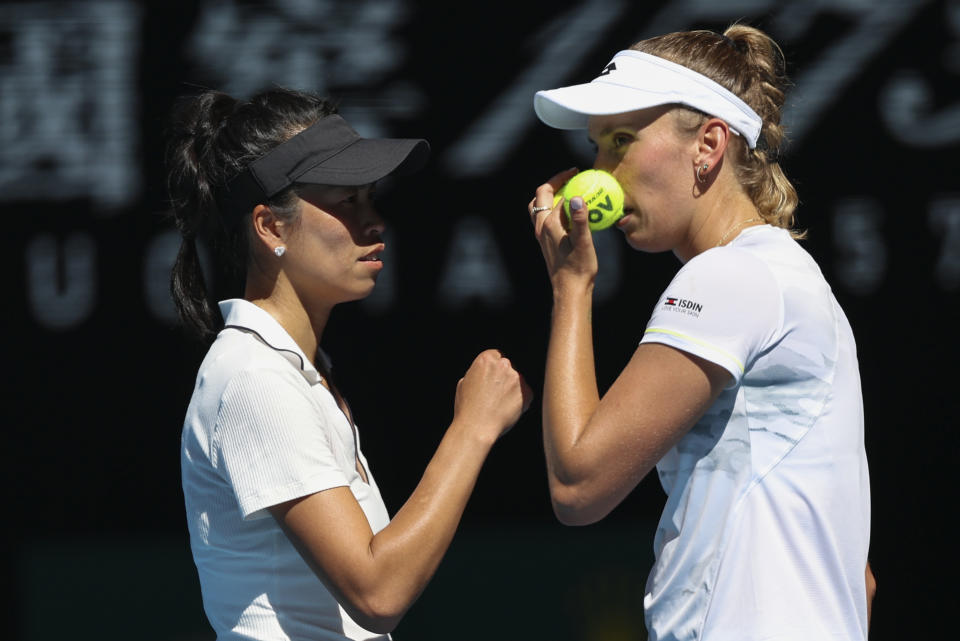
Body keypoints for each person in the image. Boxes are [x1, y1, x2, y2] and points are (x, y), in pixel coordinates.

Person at [526, 25, 873, 640]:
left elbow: (578, 487)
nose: (598, 174)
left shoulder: (730, 277)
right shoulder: (774, 274)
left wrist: (570, 286)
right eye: (598, 146)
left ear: (708, 146)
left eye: (622, 141)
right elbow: (858, 580)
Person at [168, 87, 531, 640]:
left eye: (371, 197)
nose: (375, 221)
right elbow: (377, 591)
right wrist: (473, 429)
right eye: (346, 201)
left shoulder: (291, 369)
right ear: (271, 228)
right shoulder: (253, 377)